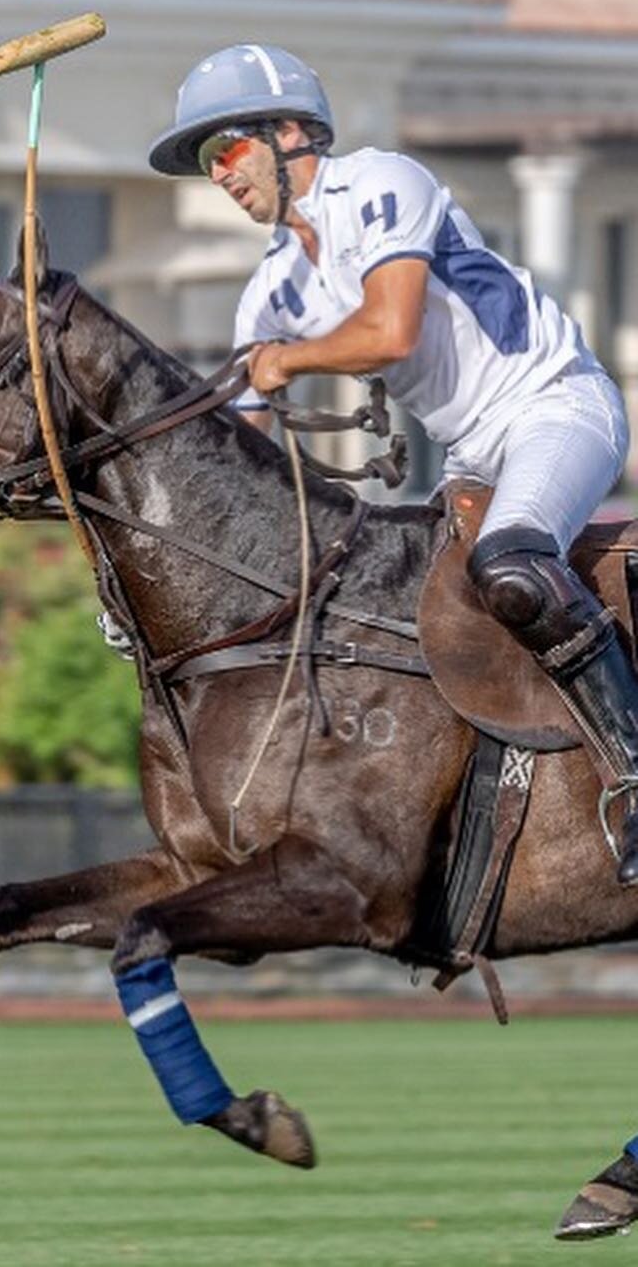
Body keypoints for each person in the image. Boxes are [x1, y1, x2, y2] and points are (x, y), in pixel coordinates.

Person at [146, 43, 638, 884]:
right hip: (470, 451)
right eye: (204, 162)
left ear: (290, 133)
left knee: (511, 565)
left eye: (225, 149)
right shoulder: (267, 291)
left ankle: (633, 773)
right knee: (400, 602)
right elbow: (239, 454)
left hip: (554, 403)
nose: (218, 175)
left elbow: (390, 330)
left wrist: (287, 363)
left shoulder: (379, 183)